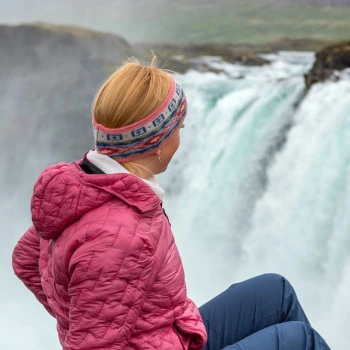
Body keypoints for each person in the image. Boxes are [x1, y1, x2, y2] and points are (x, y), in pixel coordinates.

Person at [12, 57, 330, 350]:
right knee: (300, 340)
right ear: (158, 143)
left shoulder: (84, 185)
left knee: (276, 292)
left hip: (168, 332)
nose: (182, 135)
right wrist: (86, 320)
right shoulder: (126, 235)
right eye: (179, 127)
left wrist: (78, 313)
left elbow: (25, 258)